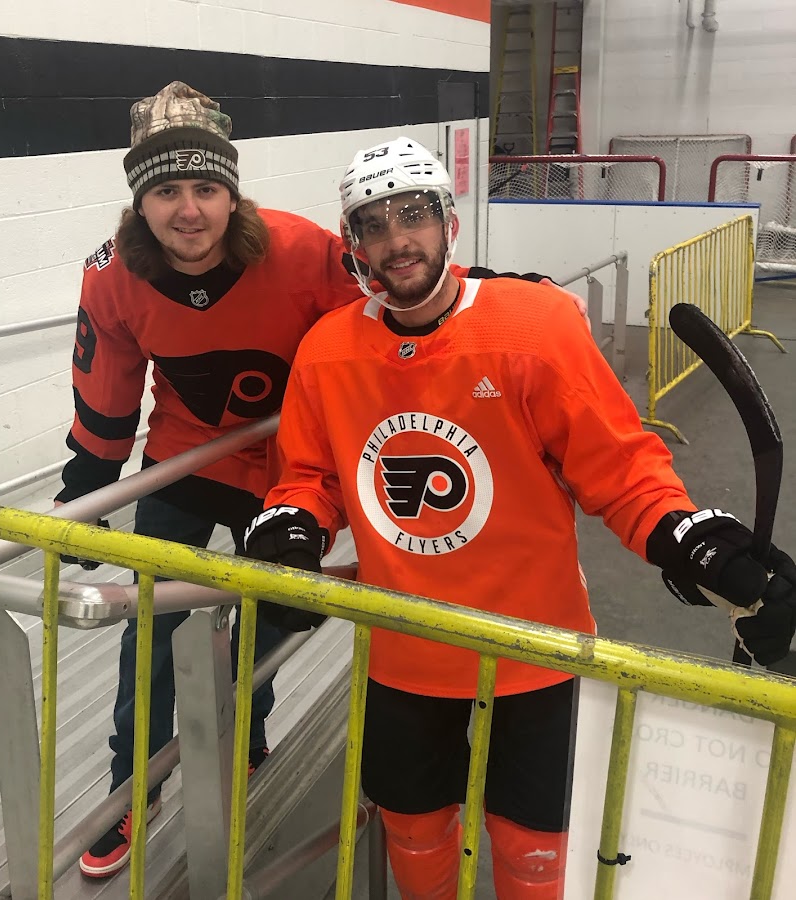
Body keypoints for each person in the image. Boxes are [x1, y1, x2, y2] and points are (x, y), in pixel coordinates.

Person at [244, 137, 796, 899]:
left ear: (449, 224)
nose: (397, 239)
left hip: (535, 644)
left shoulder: (531, 325)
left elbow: (621, 466)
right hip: (408, 647)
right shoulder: (328, 351)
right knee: (411, 826)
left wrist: (688, 537)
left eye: (414, 214)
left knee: (534, 844)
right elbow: (311, 475)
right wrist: (292, 524)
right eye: (373, 223)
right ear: (352, 246)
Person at [57, 83, 585, 879]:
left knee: (271, 612)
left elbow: (404, 295)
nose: (189, 210)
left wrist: (499, 290)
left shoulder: (301, 249)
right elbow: (104, 389)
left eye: (206, 188)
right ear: (139, 204)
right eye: (166, 191)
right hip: (183, 459)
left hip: (290, 471)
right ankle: (136, 782)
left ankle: (249, 728)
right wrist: (84, 492)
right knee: (152, 629)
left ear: (233, 195)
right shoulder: (111, 276)